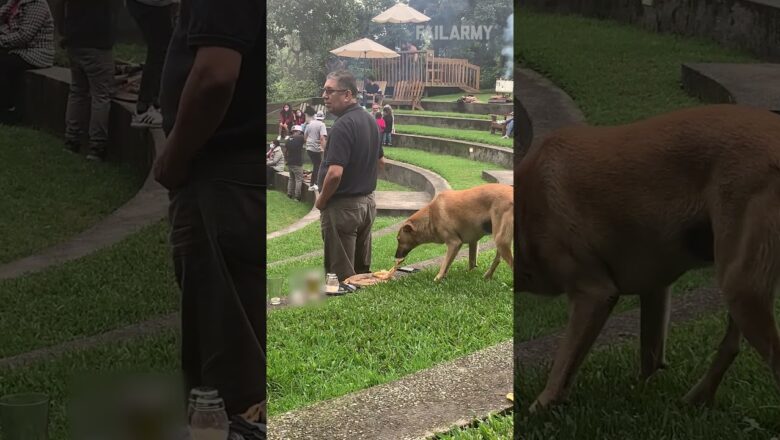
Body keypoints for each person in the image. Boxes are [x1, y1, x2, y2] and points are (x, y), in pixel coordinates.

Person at [154, 0, 265, 437]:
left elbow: (215, 75)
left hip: (222, 183)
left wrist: (173, 159)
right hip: (236, 183)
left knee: (227, 381)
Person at [316, 70, 384, 281]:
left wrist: (322, 201)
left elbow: (335, 174)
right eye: (324, 91)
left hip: (343, 207)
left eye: (329, 91)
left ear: (347, 95)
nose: (324, 96)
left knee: (341, 275)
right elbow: (381, 162)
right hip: (366, 205)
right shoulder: (370, 120)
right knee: (360, 271)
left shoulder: (343, 125)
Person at [54, 0, 118, 160]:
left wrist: (63, 31)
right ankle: (97, 146)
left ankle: (71, 139)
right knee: (101, 95)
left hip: (74, 40)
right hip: (97, 43)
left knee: (77, 91)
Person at [0, 0, 54, 121]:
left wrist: (2, 37)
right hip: (15, 48)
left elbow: (24, 35)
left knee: (3, 64)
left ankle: (7, 110)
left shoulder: (37, 4)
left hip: (35, 52)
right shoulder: (13, 3)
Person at [126, 0, 176, 128]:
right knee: (160, 50)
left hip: (154, 5)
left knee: (161, 49)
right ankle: (146, 106)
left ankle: (152, 103)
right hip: (150, 4)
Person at [304, 110, 327, 192]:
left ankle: (313, 184)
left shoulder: (310, 123)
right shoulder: (322, 124)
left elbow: (305, 136)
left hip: (309, 147)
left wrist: (309, 143)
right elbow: (322, 138)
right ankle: (315, 184)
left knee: (316, 165)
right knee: (318, 165)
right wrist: (323, 148)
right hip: (316, 148)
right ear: (323, 117)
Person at [285, 125, 304, 201]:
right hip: (297, 162)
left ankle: (289, 194)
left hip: (289, 162)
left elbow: (286, 151)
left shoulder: (288, 139)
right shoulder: (300, 138)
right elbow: (306, 139)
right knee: (299, 179)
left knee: (291, 178)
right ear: (299, 131)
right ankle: (297, 197)